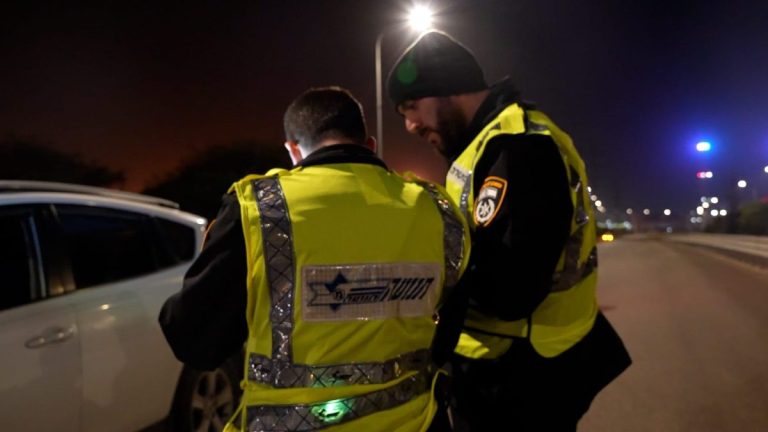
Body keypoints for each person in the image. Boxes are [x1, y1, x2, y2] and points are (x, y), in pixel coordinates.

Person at [158, 86, 471, 432]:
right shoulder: (435, 209)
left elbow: (194, 341)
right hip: (417, 421)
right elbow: (449, 332)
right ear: (369, 145)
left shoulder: (261, 210)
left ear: (292, 150)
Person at [387, 31, 632, 431]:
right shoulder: (483, 147)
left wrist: (426, 272)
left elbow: (511, 290)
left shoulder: (517, 147)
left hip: (521, 374)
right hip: (514, 363)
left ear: (449, 88)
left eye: (412, 107)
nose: (411, 125)